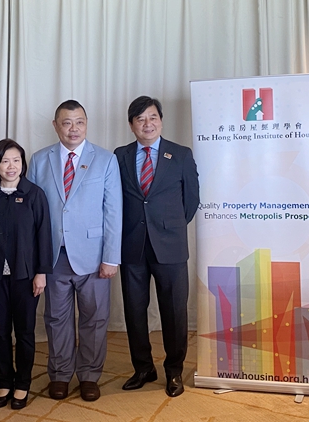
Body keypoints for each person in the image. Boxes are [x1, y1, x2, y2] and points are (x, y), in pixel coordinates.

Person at [28, 100, 122, 402]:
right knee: (56, 319)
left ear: (86, 124)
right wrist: (35, 260)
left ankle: (90, 375)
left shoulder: (105, 160)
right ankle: (60, 374)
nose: (73, 128)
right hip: (54, 256)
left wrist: (111, 257)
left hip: (94, 256)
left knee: (94, 319)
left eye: (79, 122)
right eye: (67, 122)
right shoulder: (39, 160)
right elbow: (31, 212)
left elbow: (113, 211)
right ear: (55, 125)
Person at [113, 96, 200, 397]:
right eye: (140, 119)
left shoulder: (181, 154)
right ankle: (143, 368)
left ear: (161, 121)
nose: (147, 124)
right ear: (131, 125)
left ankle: (174, 370)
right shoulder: (120, 156)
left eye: (152, 117)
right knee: (134, 311)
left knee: (174, 311)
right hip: (132, 245)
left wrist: (168, 226)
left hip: (170, 246)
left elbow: (191, 201)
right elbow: (115, 199)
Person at [0, 139, 53, 410]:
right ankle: (4, 382)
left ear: (23, 164)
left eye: (16, 160)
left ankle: (22, 383)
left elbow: (44, 235)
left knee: (24, 332)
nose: (11, 166)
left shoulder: (34, 194)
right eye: (5, 161)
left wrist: (41, 272)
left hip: (26, 276)